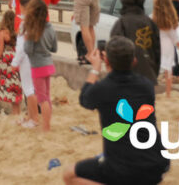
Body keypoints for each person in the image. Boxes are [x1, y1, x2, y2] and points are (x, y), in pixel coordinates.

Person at [62, 38, 169, 185]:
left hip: (122, 168)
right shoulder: (146, 86)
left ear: (107, 62)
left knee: (69, 175)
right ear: (134, 61)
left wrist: (95, 68)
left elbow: (84, 99)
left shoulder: (103, 89)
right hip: (156, 162)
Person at [108, 0, 160, 86]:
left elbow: (114, 55)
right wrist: (154, 73)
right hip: (149, 78)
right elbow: (157, 52)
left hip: (126, 80)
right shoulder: (151, 23)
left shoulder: (121, 23)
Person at [23, 0, 57, 131]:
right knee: (47, 97)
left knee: (42, 99)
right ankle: (47, 124)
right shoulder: (50, 27)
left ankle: (46, 127)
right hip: (49, 64)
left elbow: (28, 50)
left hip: (38, 66)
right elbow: (54, 48)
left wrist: (26, 39)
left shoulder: (33, 29)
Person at [10, 0, 40, 127]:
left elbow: (22, 47)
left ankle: (34, 119)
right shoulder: (35, 21)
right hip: (34, 58)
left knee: (28, 89)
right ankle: (31, 116)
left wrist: (15, 62)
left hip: (26, 59)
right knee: (31, 88)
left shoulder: (26, 24)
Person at [152, 0, 179, 97]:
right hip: (168, 46)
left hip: (156, 45)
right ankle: (168, 94)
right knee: (168, 71)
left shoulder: (153, 17)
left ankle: (152, 91)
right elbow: (175, 38)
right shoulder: (169, 20)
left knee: (154, 69)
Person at [0, 9, 22, 114]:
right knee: (16, 87)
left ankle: (15, 114)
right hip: (16, 60)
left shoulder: (2, 32)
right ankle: (17, 112)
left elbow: (0, 50)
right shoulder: (17, 32)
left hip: (6, 61)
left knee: (7, 87)